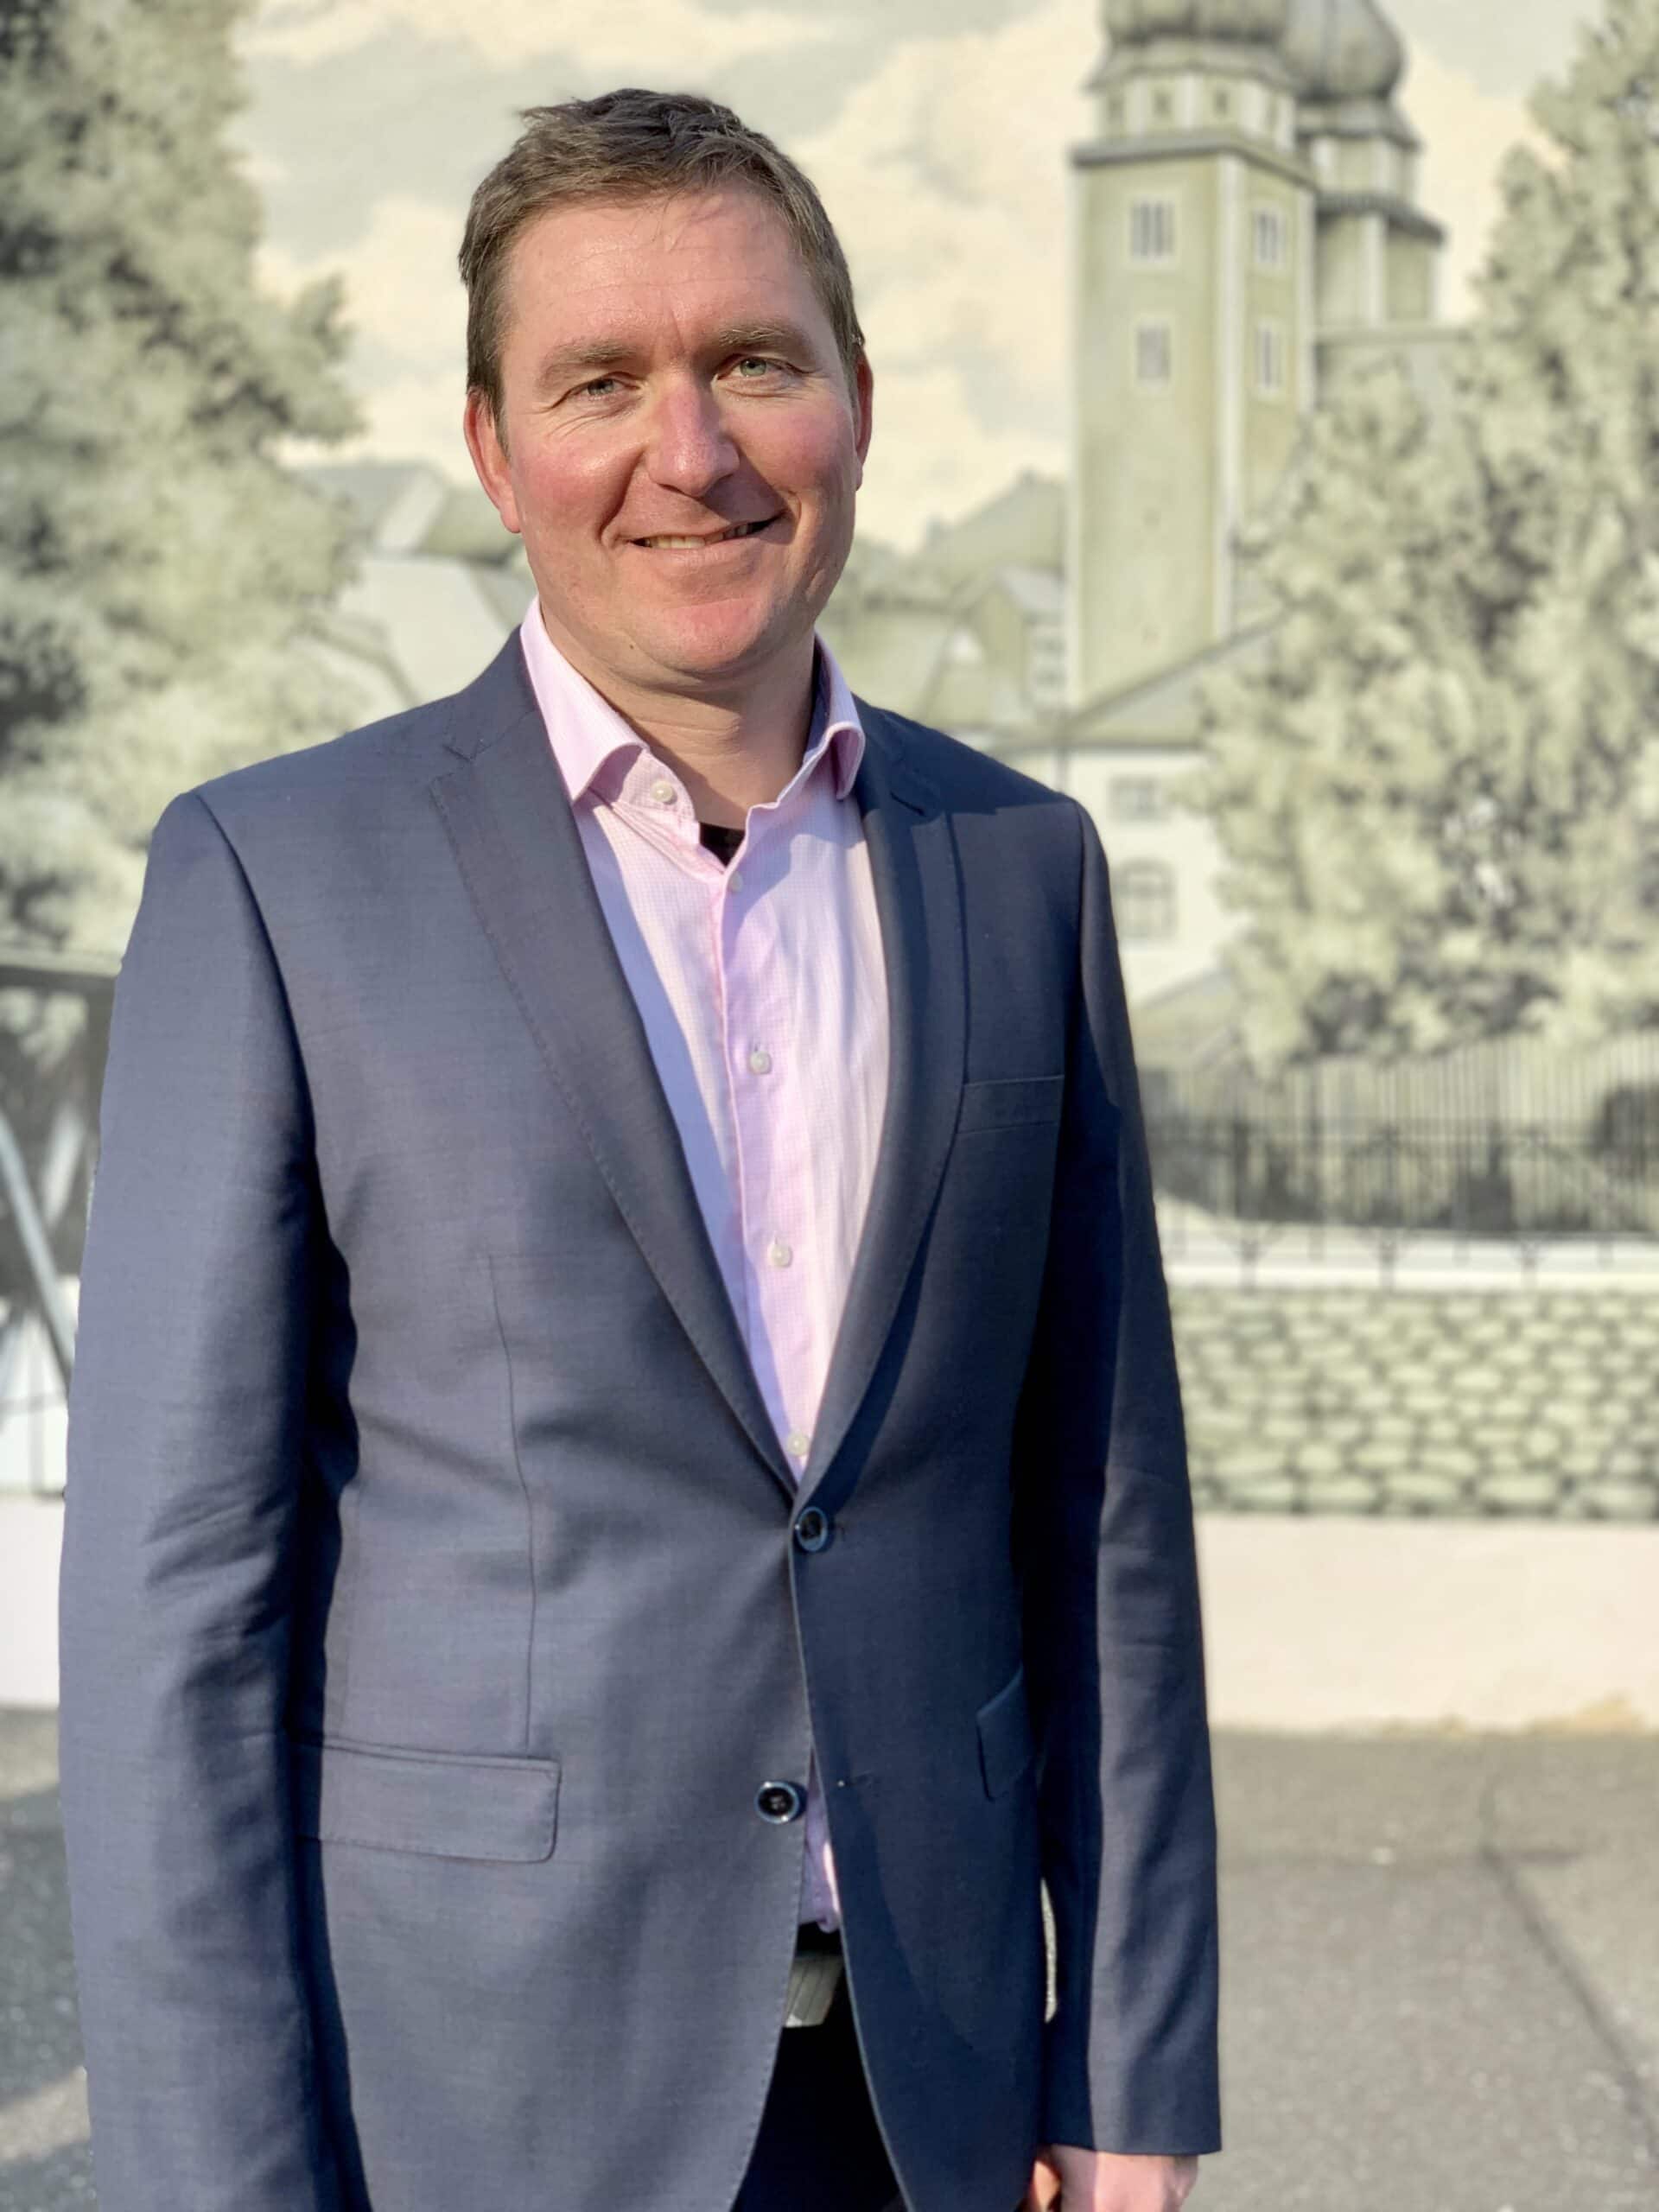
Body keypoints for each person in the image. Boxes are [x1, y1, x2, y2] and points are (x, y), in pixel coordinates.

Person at [56, 86, 1220, 2212]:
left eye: (755, 362)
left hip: (930, 2096)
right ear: (495, 449)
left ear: (857, 403)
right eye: (600, 382)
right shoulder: (275, 879)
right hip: (470, 2099)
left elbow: (1102, 1510)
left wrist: (1131, 2063)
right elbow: (177, 1610)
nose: (690, 452)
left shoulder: (1020, 864)